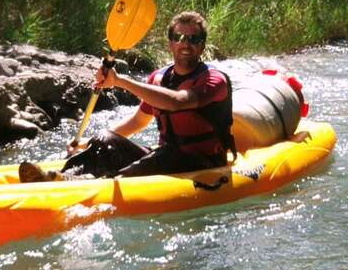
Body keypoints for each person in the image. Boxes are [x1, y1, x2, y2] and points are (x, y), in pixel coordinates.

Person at [18, 11, 235, 182]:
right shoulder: (158, 78)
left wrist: (120, 81)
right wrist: (86, 143)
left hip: (203, 163)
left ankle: (93, 182)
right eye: (179, 37)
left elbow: (178, 102)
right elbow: (139, 121)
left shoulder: (214, 80)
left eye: (193, 39)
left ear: (202, 46)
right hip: (166, 156)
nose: (185, 43)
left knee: (167, 154)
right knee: (105, 138)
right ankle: (59, 175)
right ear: (170, 43)